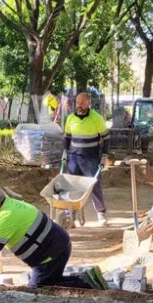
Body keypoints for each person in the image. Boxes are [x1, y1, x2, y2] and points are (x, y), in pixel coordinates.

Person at [0, 183, 108, 289]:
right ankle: (87, 279)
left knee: (38, 289)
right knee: (50, 282)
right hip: (56, 247)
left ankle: (86, 282)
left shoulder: (6, 216)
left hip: (52, 254)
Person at [62, 92, 109, 225]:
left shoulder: (97, 118)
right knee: (73, 187)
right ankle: (71, 216)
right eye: (77, 102)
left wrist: (104, 156)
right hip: (74, 158)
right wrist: (65, 152)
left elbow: (106, 138)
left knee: (94, 185)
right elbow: (66, 137)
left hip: (91, 158)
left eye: (82, 103)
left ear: (88, 103)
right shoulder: (70, 118)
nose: (79, 105)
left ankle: (101, 214)